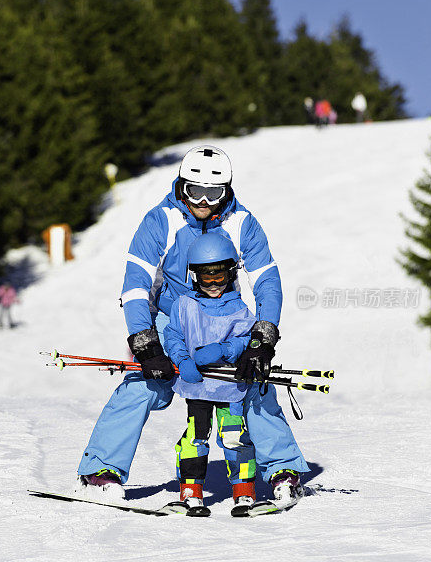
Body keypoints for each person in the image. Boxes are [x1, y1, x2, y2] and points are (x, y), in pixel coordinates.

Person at [77, 144, 309, 499]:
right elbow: (136, 284)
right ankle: (101, 470)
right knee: (143, 385)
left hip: (224, 313)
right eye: (193, 191)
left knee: (251, 380)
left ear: (226, 190)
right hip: (174, 316)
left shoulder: (241, 222)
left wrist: (262, 338)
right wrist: (144, 339)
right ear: (181, 185)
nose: (202, 200)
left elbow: (266, 280)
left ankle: (283, 470)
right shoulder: (160, 220)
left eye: (213, 193)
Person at [163, 233, 304, 514]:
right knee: (195, 436)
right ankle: (191, 492)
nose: (214, 284)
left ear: (231, 273)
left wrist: (225, 349)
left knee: (234, 437)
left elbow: (247, 339)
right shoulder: (183, 305)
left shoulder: (240, 308)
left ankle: (244, 493)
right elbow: (172, 335)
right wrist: (181, 358)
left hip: (230, 388)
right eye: (206, 277)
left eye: (220, 277)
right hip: (198, 387)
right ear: (194, 276)